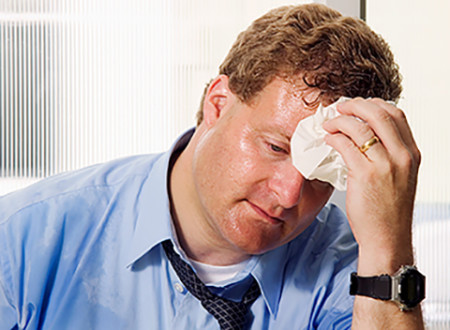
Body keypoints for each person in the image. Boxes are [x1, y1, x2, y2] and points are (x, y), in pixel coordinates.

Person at [0, 3, 424, 329]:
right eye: (276, 147)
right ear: (218, 104)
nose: (290, 192)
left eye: (321, 173)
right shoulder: (24, 241)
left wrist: (389, 247)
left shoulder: (358, 268)